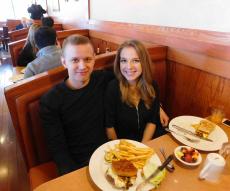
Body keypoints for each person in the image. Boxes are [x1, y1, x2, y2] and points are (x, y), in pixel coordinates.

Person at [40, 35, 114, 175]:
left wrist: (157, 106)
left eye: (87, 59)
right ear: (64, 62)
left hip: (110, 154)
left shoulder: (103, 79)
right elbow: (58, 149)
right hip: (79, 165)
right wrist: (72, 176)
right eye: (75, 60)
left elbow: (133, 85)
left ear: (94, 59)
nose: (82, 66)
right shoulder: (50, 101)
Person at [105, 40, 168, 143]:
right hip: (123, 144)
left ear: (144, 62)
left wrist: (143, 146)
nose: (129, 66)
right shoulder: (112, 88)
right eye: (124, 60)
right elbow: (109, 126)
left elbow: (152, 121)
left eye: (135, 60)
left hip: (149, 140)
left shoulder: (152, 85)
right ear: (118, 63)